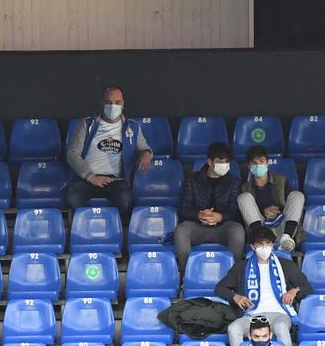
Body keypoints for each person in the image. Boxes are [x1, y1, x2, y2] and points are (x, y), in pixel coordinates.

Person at [214, 224, 313, 346]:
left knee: (281, 327)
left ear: (272, 245)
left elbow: (307, 287)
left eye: (268, 243)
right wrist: (235, 296)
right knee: (233, 328)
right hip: (252, 315)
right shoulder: (241, 267)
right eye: (260, 244)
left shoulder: (286, 266)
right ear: (253, 247)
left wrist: (295, 290)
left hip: (279, 314)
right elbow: (220, 288)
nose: (264, 247)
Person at [64, 86, 153, 221]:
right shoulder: (87, 124)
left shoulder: (132, 127)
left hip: (115, 180)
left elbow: (145, 148)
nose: (113, 106)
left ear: (123, 104)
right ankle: (88, 225)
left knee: (126, 199)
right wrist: (90, 176)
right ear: (102, 104)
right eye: (109, 102)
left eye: (117, 102)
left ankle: (110, 227)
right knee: (73, 196)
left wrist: (147, 154)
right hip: (88, 179)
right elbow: (72, 153)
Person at [174, 141, 245, 269]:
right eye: (219, 161)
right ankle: (187, 275)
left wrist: (221, 217)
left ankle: (234, 276)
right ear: (210, 162)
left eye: (226, 162)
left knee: (238, 230)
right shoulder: (192, 180)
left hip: (223, 228)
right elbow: (183, 210)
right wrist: (199, 215)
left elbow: (236, 212)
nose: (223, 165)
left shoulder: (233, 182)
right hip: (198, 227)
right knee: (181, 230)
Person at [238, 145, 305, 250]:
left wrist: (278, 211)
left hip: (283, 226)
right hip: (261, 227)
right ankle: (260, 241)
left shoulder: (282, 181)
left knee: (297, 195)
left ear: (267, 163)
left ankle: (286, 239)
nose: (258, 165)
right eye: (254, 163)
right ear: (248, 166)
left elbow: (292, 206)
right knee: (244, 197)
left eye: (261, 161)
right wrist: (263, 211)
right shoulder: (245, 187)